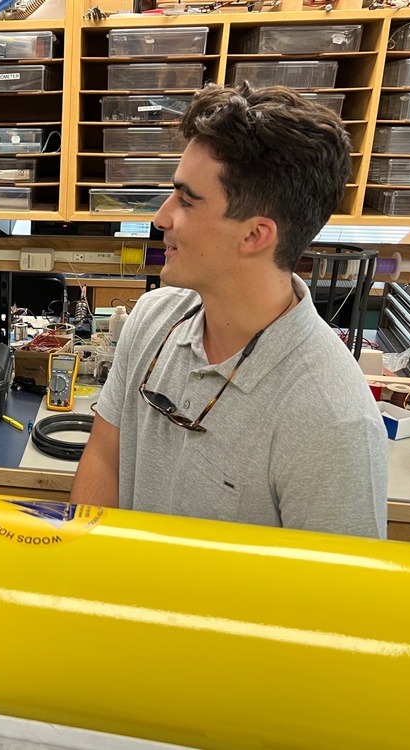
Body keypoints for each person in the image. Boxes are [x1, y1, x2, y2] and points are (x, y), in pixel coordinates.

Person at [71, 83, 387, 538]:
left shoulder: (333, 420)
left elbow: (335, 601)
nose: (161, 218)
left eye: (186, 199)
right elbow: (105, 457)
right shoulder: (153, 319)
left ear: (256, 235)